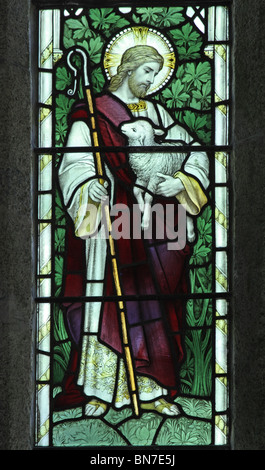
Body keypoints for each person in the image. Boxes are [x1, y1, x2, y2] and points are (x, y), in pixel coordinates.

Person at [56, 45, 209, 417]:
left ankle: (151, 388)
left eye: (157, 75)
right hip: (110, 221)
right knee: (106, 298)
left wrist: (182, 181)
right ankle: (100, 389)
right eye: (147, 73)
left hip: (155, 225)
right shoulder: (93, 114)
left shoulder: (158, 113)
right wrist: (87, 185)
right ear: (127, 69)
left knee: (150, 299)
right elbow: (73, 163)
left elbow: (196, 151)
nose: (151, 82)